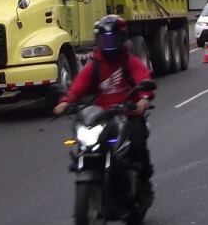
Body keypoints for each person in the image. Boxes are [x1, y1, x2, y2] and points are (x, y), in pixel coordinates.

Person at [52, 14, 156, 207]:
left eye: (112, 39)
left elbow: (144, 78)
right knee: (84, 144)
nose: (108, 44)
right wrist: (66, 102)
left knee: (138, 140)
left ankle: (144, 185)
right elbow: (79, 85)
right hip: (102, 117)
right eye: (104, 40)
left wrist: (143, 99)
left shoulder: (129, 62)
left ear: (121, 38)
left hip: (128, 114)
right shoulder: (96, 65)